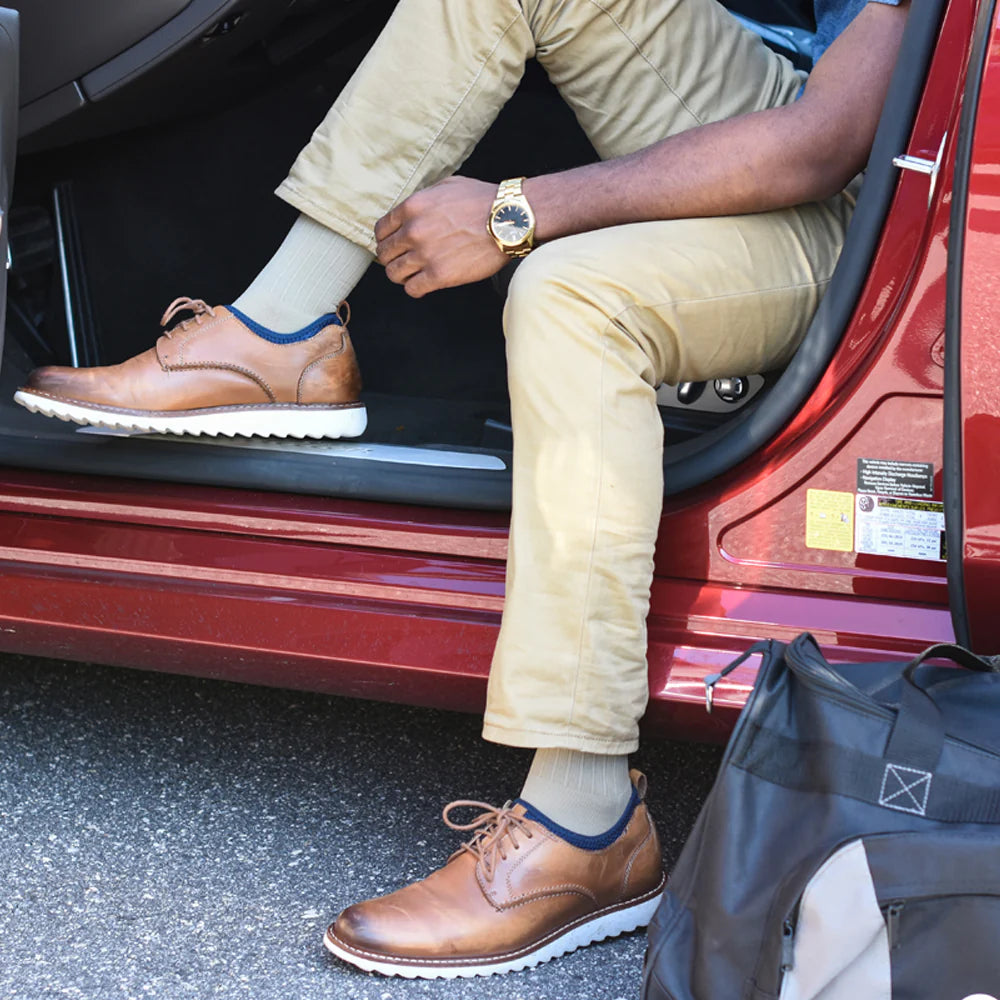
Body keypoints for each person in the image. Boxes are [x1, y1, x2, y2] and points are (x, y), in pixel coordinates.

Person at [14, 0, 909, 980]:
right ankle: (282, 327)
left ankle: (584, 819)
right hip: (756, 87)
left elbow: (826, 142)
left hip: (861, 194)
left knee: (567, 294)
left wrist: (512, 212)